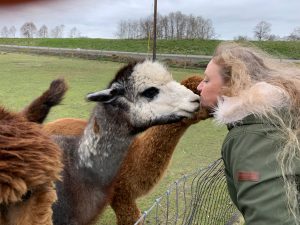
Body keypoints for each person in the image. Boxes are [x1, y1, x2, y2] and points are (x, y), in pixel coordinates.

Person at [197, 42, 300, 225]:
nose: (199, 87)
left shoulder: (253, 137)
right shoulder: (279, 117)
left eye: (206, 80)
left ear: (232, 85)